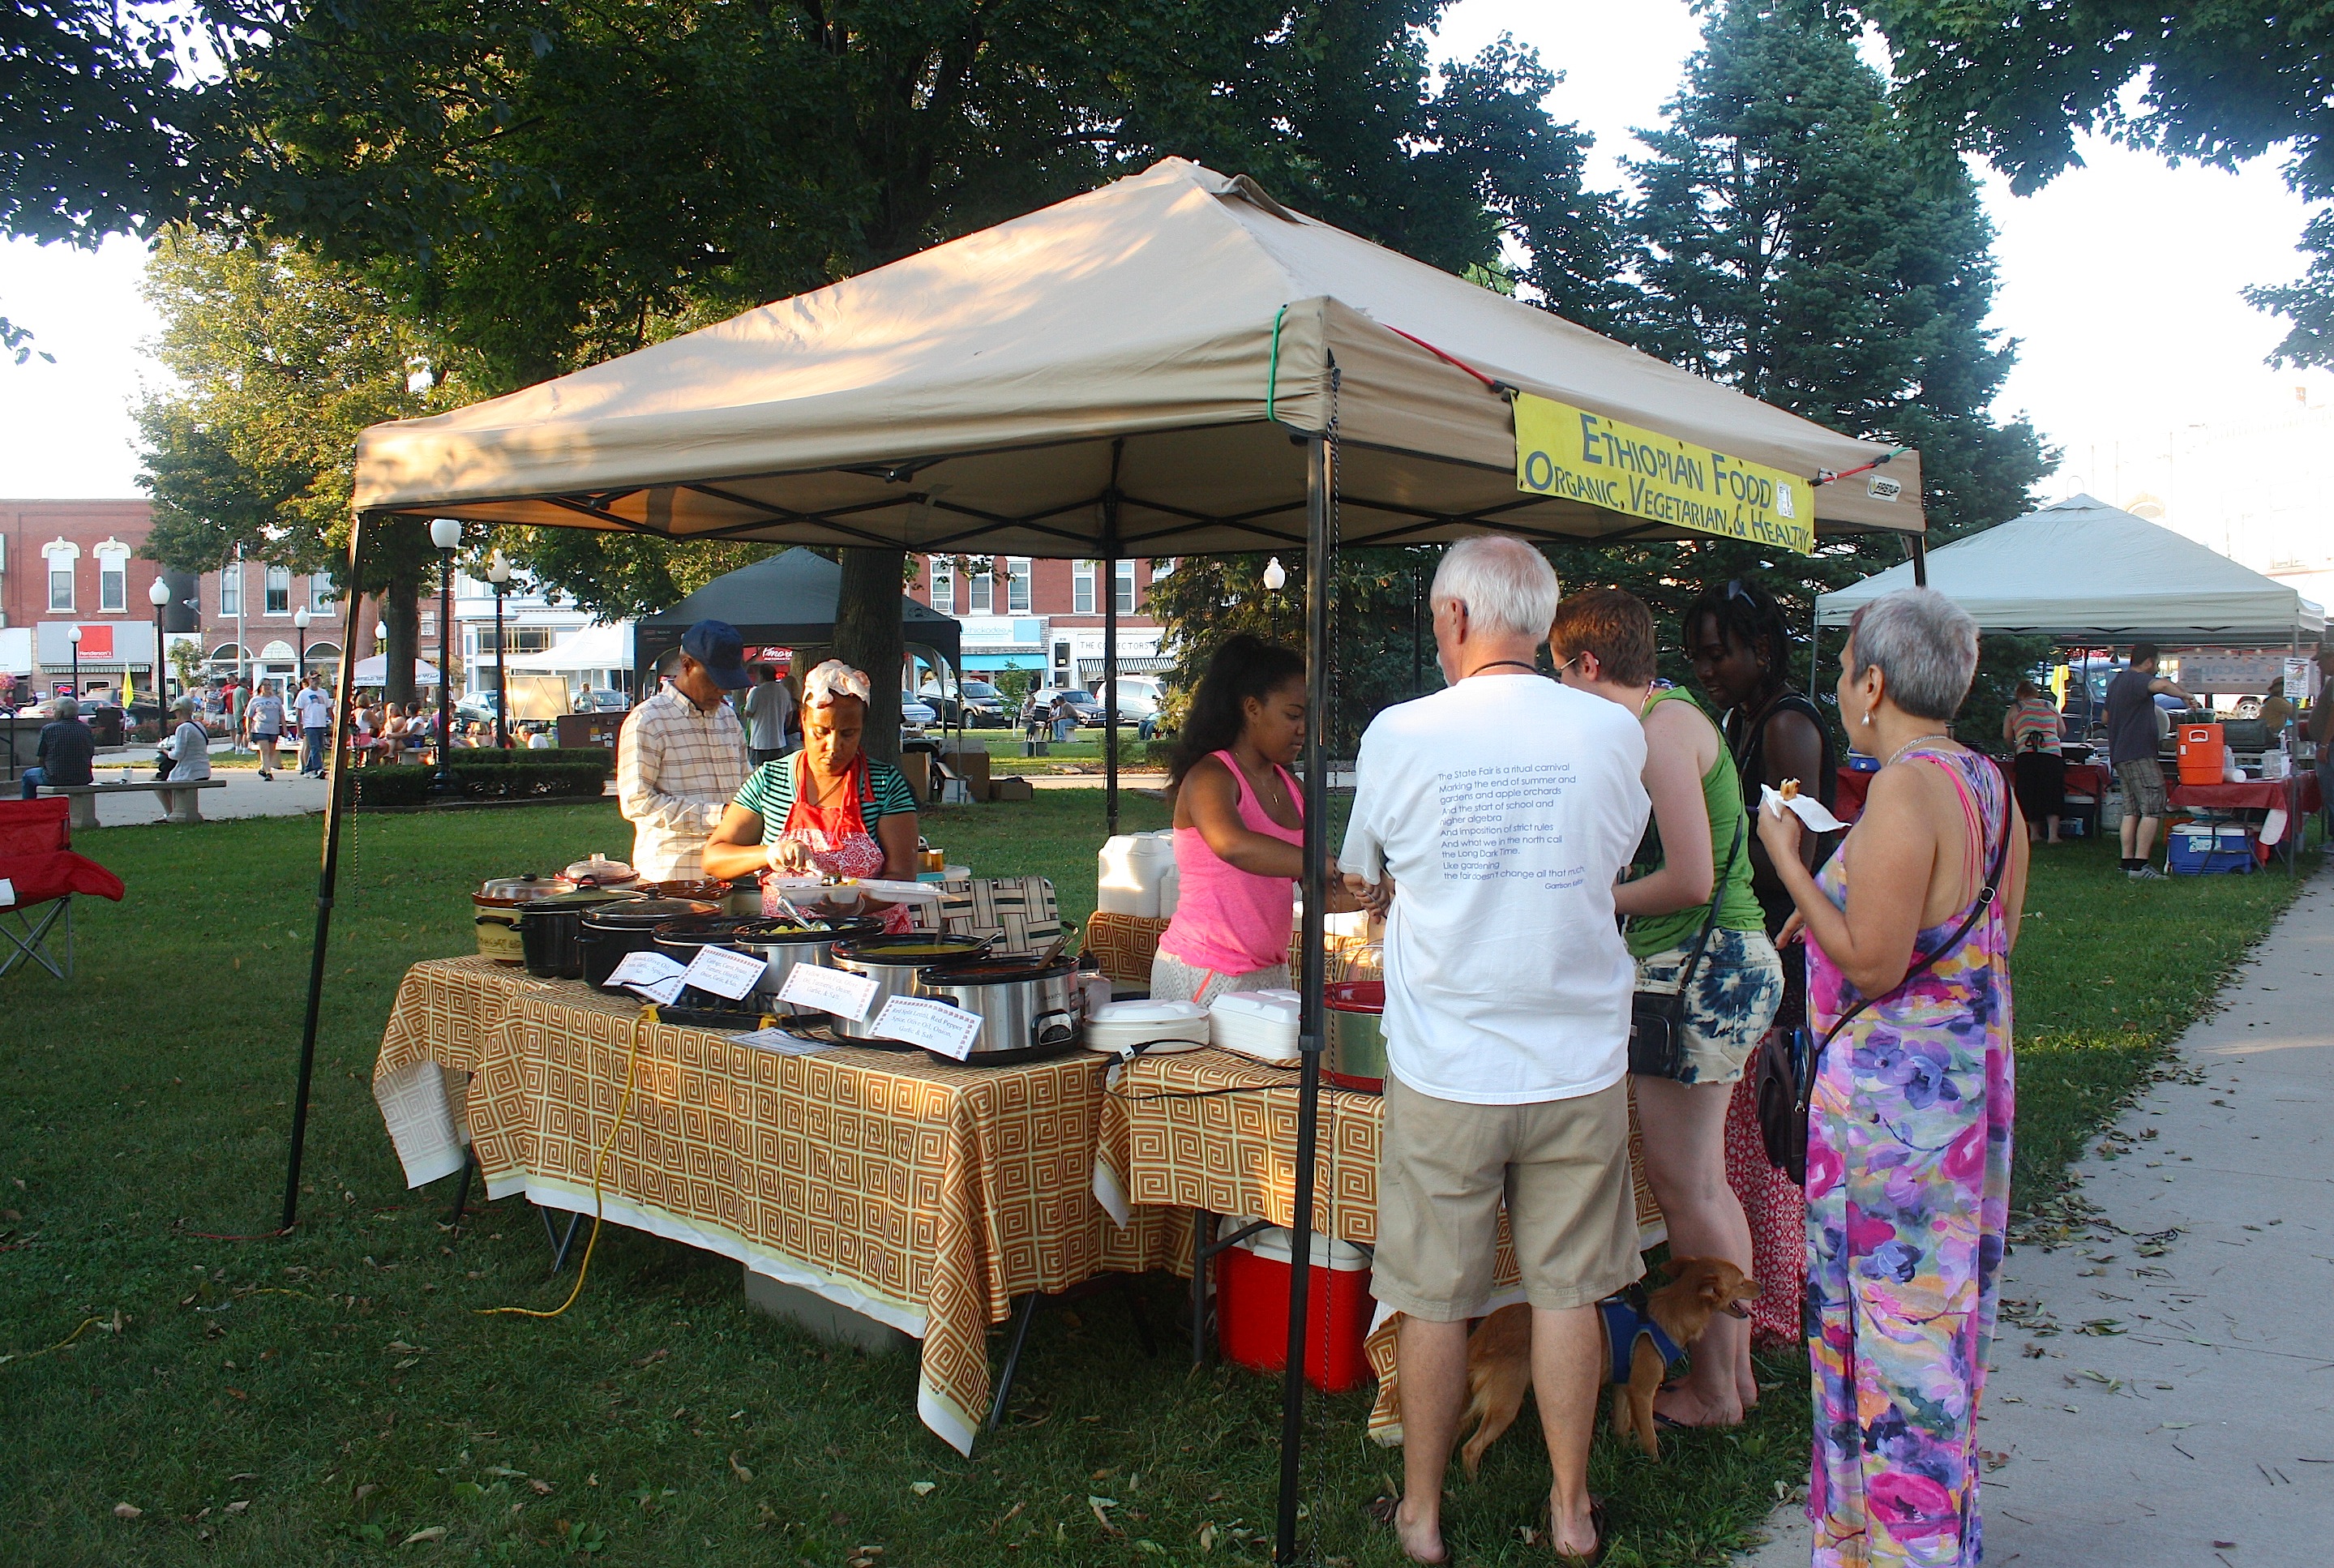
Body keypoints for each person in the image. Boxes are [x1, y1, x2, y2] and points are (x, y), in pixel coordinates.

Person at [1339, 537, 1649, 1565]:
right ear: (1541, 620)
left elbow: (1363, 873)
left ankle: (1422, 1514)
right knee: (1566, 1290)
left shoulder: (1399, 732)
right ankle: (1570, 1507)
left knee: (1433, 1294)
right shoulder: (1610, 730)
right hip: (1575, 1057)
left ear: (1454, 618)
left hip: (1447, 1060)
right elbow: (1610, 860)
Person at [1756, 587, 2029, 1568]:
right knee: (1933, 1324)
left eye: (1843, 671)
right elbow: (1984, 936)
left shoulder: (1906, 789)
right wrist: (1831, 904)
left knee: (1892, 1333)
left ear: (1871, 682)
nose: (1839, 689)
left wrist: (1791, 862)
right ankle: (1905, 1534)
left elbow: (1873, 963)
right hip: (1959, 1096)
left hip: (1890, 1122)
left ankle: (1899, 1544)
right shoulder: (1986, 782)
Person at [1549, 588, 1780, 1432]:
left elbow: (1687, 877)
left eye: (1558, 673)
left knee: (1688, 1189)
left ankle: (1713, 1391)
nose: (1559, 691)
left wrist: (1591, 898)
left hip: (1696, 968)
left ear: (1587, 664)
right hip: (1715, 963)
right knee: (1703, 1186)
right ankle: (1733, 1378)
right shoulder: (1670, 716)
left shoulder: (1656, 733)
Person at [1681, 576, 1831, 1354]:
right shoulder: (1742, 720)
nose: (1706, 671)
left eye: (1719, 655)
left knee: (1770, 1132)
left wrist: (1708, 848)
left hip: (1782, 948)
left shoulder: (1786, 727)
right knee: (1742, 1134)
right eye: (1696, 658)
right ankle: (1762, 1290)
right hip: (1752, 946)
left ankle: (1778, 1302)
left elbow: (1793, 857)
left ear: (1762, 649)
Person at [1150, 635, 1364, 1005]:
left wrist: (1373, 891)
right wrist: (1330, 866)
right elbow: (1233, 845)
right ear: (1252, 709)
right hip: (1204, 968)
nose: (1304, 729)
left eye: (1310, 718)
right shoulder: (1211, 776)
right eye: (1293, 716)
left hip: (1269, 970)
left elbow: (1321, 891)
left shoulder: (1295, 790)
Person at [703, 660, 921, 931]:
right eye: (821, 732)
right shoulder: (769, 781)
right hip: (790, 940)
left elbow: (902, 875)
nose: (834, 746)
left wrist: (859, 905)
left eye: (848, 734)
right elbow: (714, 859)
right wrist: (771, 853)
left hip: (870, 939)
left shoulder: (884, 783)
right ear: (803, 720)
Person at [617, 619, 752, 880]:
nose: (722, 689)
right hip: (673, 872)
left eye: (728, 680)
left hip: (732, 867)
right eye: (714, 679)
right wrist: (719, 815)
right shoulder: (647, 720)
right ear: (687, 665)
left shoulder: (727, 718)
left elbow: (745, 784)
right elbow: (637, 802)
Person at [2104, 643, 2195, 879]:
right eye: (2157, 663)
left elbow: (2105, 717)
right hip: (2139, 753)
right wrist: (2185, 695)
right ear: (2148, 662)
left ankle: (2127, 862)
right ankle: (2140, 866)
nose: (2157, 668)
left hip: (2120, 754)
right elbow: (2162, 685)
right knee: (2152, 807)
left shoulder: (2117, 683)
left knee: (2131, 809)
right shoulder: (2138, 680)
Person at [2002, 678, 2066, 844]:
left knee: (2029, 792)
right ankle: (2053, 835)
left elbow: (2007, 736)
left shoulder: (2015, 709)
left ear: (2019, 694)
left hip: (2027, 754)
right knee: (2052, 792)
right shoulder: (2049, 706)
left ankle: (2034, 834)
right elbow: (2062, 730)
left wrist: (2015, 748)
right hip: (2051, 754)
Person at [20, 696, 95, 799]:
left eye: (54, 709)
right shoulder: (86, 729)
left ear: (60, 712)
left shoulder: (49, 729)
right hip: (84, 777)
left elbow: (40, 758)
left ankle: (29, 807)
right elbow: (90, 753)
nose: (53, 712)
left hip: (54, 778)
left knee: (27, 776)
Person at [743, 662, 795, 767]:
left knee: (759, 770)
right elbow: (789, 713)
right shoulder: (784, 691)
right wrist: (784, 728)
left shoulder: (757, 692)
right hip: (779, 741)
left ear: (762, 676)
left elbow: (748, 713)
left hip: (760, 741)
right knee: (776, 770)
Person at [293, 674, 335, 778]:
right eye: (313, 679)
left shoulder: (323, 692)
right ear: (309, 680)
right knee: (314, 747)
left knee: (319, 748)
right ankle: (318, 768)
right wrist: (299, 728)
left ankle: (308, 769)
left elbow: (328, 709)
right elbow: (298, 712)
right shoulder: (303, 694)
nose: (316, 681)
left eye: (318, 678)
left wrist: (334, 722)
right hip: (310, 725)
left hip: (321, 724)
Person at [164, 696, 212, 782]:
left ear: (179, 711)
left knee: (159, 780)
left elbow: (177, 755)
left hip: (189, 772)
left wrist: (165, 751)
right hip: (204, 770)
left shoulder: (183, 728)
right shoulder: (199, 725)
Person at [246, 681, 286, 779]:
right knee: (265, 750)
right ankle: (268, 773)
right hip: (260, 729)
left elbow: (282, 715)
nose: (268, 687)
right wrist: (248, 732)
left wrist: (285, 729)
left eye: (269, 685)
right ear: (260, 687)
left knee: (271, 751)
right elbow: (248, 717)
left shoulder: (276, 700)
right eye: (265, 685)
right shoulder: (255, 700)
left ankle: (263, 768)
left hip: (273, 729)